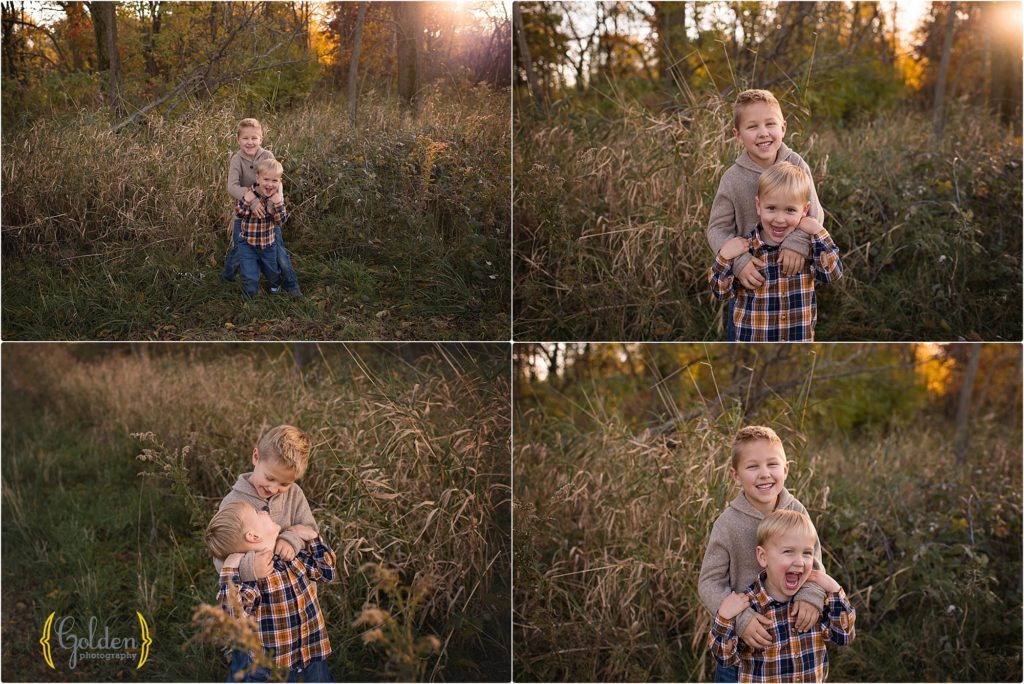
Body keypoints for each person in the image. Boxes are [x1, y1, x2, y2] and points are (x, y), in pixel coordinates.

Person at [697, 426, 827, 683]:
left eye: (772, 464)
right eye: (752, 466)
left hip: (793, 645)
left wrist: (811, 595)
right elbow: (709, 583)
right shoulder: (728, 524)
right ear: (735, 475)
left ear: (786, 469)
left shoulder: (797, 511)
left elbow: (814, 561)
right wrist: (741, 619)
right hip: (745, 648)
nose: (764, 474)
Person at [706, 89, 826, 340]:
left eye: (770, 124)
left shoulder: (797, 165)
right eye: (752, 126)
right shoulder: (732, 178)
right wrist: (739, 263)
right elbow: (717, 229)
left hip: (793, 279)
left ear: (783, 127)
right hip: (752, 281)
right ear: (737, 135)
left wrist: (797, 243)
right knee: (745, 338)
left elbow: (813, 212)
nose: (763, 133)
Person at [709, 509, 856, 682]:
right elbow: (725, 657)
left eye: (807, 553)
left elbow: (843, 636)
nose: (800, 562)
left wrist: (834, 589)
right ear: (763, 557)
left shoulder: (813, 602)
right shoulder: (750, 607)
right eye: (788, 551)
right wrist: (724, 618)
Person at [709, 162, 842, 341]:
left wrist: (819, 232)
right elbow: (720, 292)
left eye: (790, 210)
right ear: (758, 206)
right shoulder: (746, 249)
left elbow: (832, 274)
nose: (780, 219)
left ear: (804, 210)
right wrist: (724, 256)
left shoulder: (808, 246)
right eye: (771, 208)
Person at [205, 501, 336, 682]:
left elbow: (327, 573)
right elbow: (234, 617)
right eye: (257, 513)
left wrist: (313, 538)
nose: (263, 510)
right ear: (253, 536)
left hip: (312, 650)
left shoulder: (289, 556)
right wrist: (229, 569)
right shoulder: (253, 580)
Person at [212, 425, 319, 582]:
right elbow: (220, 556)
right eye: (269, 478)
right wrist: (249, 567)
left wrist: (291, 539)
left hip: (298, 590)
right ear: (256, 457)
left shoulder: (294, 494)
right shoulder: (233, 502)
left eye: (284, 484)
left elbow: (310, 531)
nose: (274, 489)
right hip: (260, 598)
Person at [224, 118, 301, 297]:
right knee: (239, 252)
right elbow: (232, 186)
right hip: (245, 214)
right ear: (238, 140)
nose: (250, 142)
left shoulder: (267, 156)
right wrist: (253, 201)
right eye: (245, 138)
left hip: (268, 217)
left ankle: (291, 284)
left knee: (279, 252)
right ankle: (226, 279)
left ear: (261, 139)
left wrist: (277, 200)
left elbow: (277, 180)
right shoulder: (237, 159)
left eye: (254, 138)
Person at [235, 159, 291, 298]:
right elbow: (239, 213)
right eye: (266, 179)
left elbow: (281, 221)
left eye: (274, 181)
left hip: (268, 244)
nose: (270, 184)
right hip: (248, 243)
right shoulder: (250, 194)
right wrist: (247, 201)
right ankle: (251, 295)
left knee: (272, 271)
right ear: (258, 178)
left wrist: (278, 205)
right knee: (250, 275)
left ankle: (274, 287)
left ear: (279, 182)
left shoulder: (277, 198)